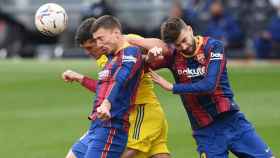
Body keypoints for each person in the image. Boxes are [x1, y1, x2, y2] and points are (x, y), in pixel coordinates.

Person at [128, 17, 275, 158]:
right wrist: (148, 57)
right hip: (205, 131)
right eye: (178, 45)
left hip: (232, 121)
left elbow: (209, 85)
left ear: (190, 30)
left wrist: (172, 87)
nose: (183, 47)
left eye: (184, 40)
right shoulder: (174, 55)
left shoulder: (213, 47)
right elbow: (141, 67)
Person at [63, 17, 171, 158]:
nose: (88, 52)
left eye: (90, 46)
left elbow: (162, 47)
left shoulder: (127, 46)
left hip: (141, 110)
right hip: (118, 114)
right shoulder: (106, 57)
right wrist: (81, 79)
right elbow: (107, 89)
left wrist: (136, 43)